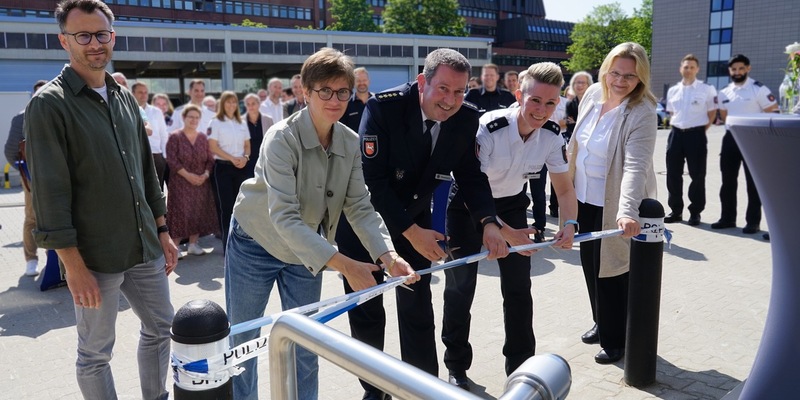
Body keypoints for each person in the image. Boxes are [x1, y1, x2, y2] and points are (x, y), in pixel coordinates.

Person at [224, 47, 419, 400]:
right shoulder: (281, 138)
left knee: (306, 343)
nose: (335, 99)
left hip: (308, 253)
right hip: (256, 244)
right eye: (324, 91)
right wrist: (344, 264)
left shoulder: (350, 140)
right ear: (305, 92)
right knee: (242, 344)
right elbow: (283, 217)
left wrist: (388, 257)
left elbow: (360, 206)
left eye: (342, 91)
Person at [335, 48, 513, 400]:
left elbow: (471, 177)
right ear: (422, 82)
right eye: (443, 89)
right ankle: (375, 388)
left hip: (414, 220)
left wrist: (489, 223)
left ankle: (422, 388)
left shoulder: (465, 119)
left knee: (416, 306)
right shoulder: (383, 108)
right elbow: (374, 182)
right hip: (362, 219)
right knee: (367, 309)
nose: (451, 101)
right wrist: (412, 233)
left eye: (460, 92)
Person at [24, 1, 179, 398]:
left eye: (102, 34)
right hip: (94, 257)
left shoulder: (123, 96)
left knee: (162, 328)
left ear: (113, 36)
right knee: (95, 353)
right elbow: (50, 193)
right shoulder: (49, 105)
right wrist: (71, 265)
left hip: (144, 245)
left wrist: (162, 229)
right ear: (64, 41)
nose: (95, 43)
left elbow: (146, 170)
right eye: (83, 35)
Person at [442, 62, 578, 388]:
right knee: (460, 289)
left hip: (513, 206)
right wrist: (498, 230)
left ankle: (520, 371)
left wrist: (570, 223)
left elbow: (564, 188)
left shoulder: (551, 134)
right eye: (535, 101)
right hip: (469, 207)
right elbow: (476, 189)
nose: (542, 110)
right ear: (519, 95)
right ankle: (456, 367)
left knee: (519, 291)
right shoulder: (490, 127)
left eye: (550, 103)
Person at [568, 42, 658, 364]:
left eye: (629, 76)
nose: (619, 81)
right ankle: (600, 321)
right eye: (614, 72)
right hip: (583, 197)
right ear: (606, 69)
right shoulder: (592, 94)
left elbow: (635, 166)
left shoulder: (643, 112)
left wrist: (627, 211)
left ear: (641, 78)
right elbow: (577, 143)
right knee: (590, 265)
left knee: (613, 270)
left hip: (616, 202)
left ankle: (617, 338)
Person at [712, 54, 778, 234]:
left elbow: (773, 111)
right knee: (727, 182)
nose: (737, 72)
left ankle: (753, 222)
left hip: (754, 140)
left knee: (753, 183)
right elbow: (725, 117)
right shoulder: (724, 91)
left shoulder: (759, 89)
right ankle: (727, 218)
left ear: (748, 68)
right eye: (734, 69)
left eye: (741, 68)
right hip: (731, 139)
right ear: (729, 71)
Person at [663, 54, 718, 226]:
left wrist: (700, 130)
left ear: (697, 69)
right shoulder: (673, 90)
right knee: (673, 174)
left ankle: (695, 213)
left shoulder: (706, 89)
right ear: (681, 68)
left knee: (697, 175)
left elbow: (712, 113)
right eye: (686, 67)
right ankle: (676, 211)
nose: (688, 70)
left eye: (692, 67)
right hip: (676, 134)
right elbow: (672, 112)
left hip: (696, 135)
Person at [4, 79, 47, 276]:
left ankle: (55, 257)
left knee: (57, 216)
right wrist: (24, 171)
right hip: (31, 177)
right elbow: (11, 150)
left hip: (58, 176)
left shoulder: (57, 114)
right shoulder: (21, 118)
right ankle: (31, 259)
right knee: (32, 218)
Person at [166, 105, 219, 256]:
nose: (194, 120)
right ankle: (174, 248)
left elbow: (210, 159)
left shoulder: (203, 137)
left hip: (201, 182)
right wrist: (188, 176)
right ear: (183, 118)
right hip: (181, 182)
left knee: (197, 212)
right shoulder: (174, 137)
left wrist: (206, 175)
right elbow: (172, 160)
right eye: (191, 117)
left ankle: (193, 244)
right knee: (179, 213)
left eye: (197, 117)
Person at [207, 90, 250, 251]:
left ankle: (242, 247)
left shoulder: (242, 122)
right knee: (227, 209)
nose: (231, 105)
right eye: (228, 102)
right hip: (224, 168)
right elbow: (212, 146)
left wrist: (245, 157)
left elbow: (247, 145)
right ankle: (227, 248)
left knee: (242, 208)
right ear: (222, 104)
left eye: (234, 102)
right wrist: (232, 158)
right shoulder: (215, 122)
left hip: (241, 168)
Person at [549, 71, 592, 218]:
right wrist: (568, 121)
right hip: (567, 142)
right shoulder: (569, 103)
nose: (580, 86)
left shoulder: (593, 104)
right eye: (577, 83)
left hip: (586, 146)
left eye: (583, 83)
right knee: (562, 175)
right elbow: (560, 122)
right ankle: (556, 207)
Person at [132, 81, 169, 187]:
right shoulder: (126, 110)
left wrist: (164, 156)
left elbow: (163, 134)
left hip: (156, 155)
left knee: (157, 189)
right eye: (140, 92)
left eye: (145, 92)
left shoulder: (156, 112)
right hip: (136, 155)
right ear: (133, 93)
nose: (143, 95)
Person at [242, 92, 272, 176]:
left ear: (259, 104)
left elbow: (272, 140)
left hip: (264, 161)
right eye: (248, 104)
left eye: (253, 103)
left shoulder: (268, 120)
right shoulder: (240, 121)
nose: (250, 106)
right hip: (247, 162)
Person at [339, 66, 373, 132]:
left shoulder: (376, 102)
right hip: (353, 142)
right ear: (353, 83)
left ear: (369, 81)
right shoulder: (346, 104)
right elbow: (341, 128)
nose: (362, 83)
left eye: (364, 80)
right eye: (358, 81)